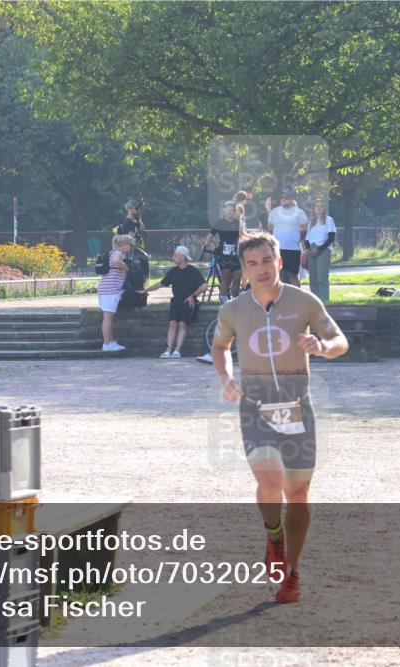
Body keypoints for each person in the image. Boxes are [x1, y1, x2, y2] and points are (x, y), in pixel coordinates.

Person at [210, 232, 349, 604]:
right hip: (256, 404)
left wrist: (321, 347)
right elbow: (220, 345)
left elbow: (340, 341)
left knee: (299, 494)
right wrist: (226, 377)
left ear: (279, 262)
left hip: (297, 404)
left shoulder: (305, 302)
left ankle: (292, 571)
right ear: (243, 270)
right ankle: (274, 536)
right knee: (270, 482)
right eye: (252, 263)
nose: (261, 269)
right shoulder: (233, 310)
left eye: (266, 261)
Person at [142, 245, 208, 358]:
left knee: (183, 324)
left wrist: (193, 295)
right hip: (176, 301)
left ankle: (177, 350)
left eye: (175, 255)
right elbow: (161, 283)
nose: (173, 257)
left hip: (188, 302)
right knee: (172, 324)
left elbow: (204, 285)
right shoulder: (173, 271)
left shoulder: (193, 271)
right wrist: (145, 290)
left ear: (182, 257)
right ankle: (168, 350)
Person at [203, 201, 247, 303]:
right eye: (227, 209)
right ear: (224, 210)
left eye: (231, 209)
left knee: (237, 275)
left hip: (235, 254)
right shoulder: (220, 222)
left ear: (234, 211)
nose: (229, 211)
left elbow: (242, 236)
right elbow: (211, 234)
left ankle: (235, 298)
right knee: (226, 277)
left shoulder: (237, 222)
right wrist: (205, 246)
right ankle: (224, 300)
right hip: (223, 254)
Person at [97, 234, 135, 352]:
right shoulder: (117, 253)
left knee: (109, 317)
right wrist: (126, 268)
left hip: (107, 289)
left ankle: (111, 342)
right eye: (131, 245)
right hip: (110, 290)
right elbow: (116, 261)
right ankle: (107, 344)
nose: (132, 247)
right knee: (108, 318)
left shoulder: (113, 252)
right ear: (124, 245)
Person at [267, 187, 308, 287]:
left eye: (287, 197)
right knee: (279, 275)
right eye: (282, 197)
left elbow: (304, 230)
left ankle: (298, 299)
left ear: (292, 199)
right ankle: (282, 300)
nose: (284, 199)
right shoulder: (274, 212)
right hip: (277, 249)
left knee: (293, 275)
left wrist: (296, 239)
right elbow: (270, 230)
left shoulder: (300, 213)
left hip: (293, 249)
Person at [304, 199, 336, 303]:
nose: (319, 208)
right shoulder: (311, 222)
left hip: (323, 250)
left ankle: (324, 301)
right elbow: (306, 238)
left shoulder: (328, 220)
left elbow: (331, 237)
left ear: (324, 208)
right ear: (314, 208)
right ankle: (315, 302)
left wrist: (319, 249)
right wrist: (308, 250)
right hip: (311, 250)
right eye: (317, 206)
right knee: (313, 279)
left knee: (322, 278)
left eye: (321, 206)